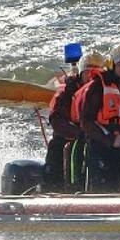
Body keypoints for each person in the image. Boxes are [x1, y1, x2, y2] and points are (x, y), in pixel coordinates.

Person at [78, 43, 120, 193]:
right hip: (100, 146)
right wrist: (110, 139)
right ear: (113, 65)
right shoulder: (98, 86)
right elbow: (86, 121)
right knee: (103, 187)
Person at [42, 51, 104, 192]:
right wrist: (80, 133)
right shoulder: (66, 92)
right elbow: (56, 120)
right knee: (59, 150)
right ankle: (55, 189)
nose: (91, 77)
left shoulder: (106, 92)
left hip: (97, 139)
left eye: (95, 73)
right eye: (87, 72)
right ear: (81, 73)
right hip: (69, 138)